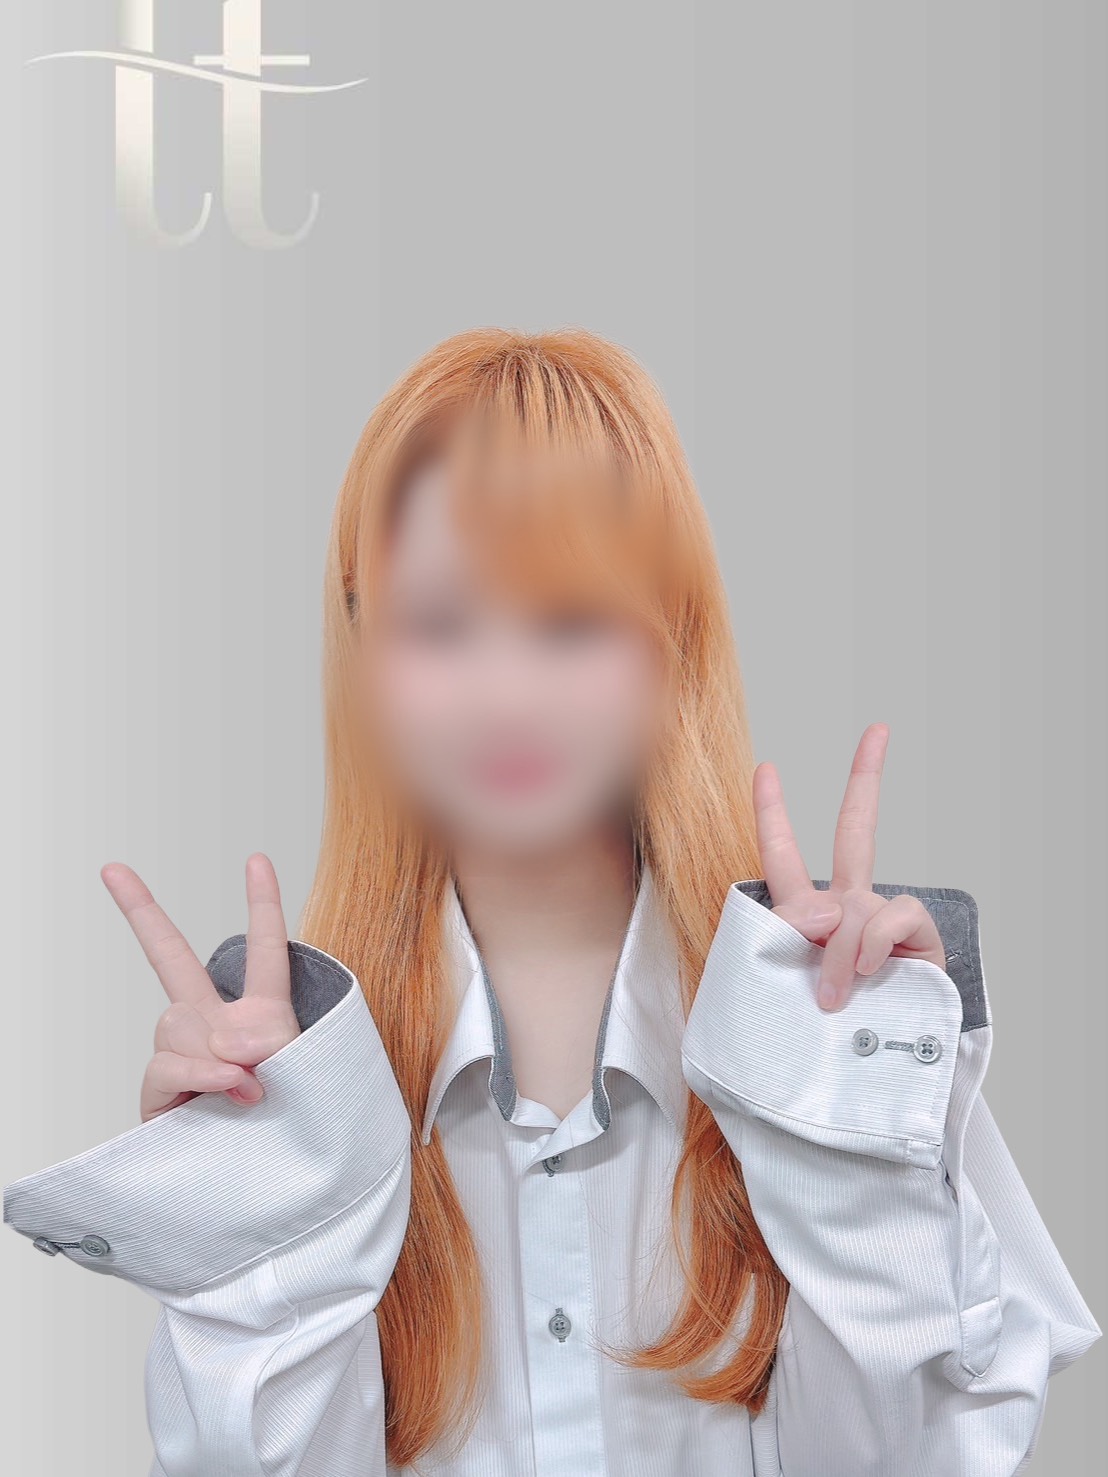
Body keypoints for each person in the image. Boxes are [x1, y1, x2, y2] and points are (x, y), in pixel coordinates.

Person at [4, 327, 1100, 1477]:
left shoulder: (834, 1026)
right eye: (440, 624)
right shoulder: (302, 1065)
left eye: (571, 621)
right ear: (361, 642)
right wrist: (250, 1213)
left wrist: (851, 1129)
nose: (506, 695)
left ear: (673, 638)